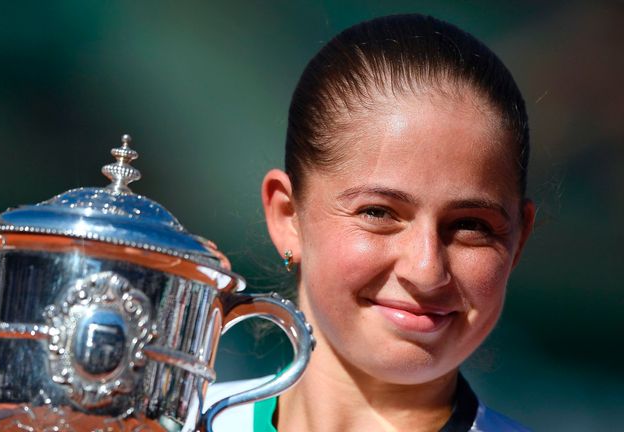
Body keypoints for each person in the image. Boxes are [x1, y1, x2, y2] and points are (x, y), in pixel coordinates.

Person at [206, 13, 536, 432]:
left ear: (517, 241)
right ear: (288, 216)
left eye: (471, 225)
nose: (426, 270)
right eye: (378, 213)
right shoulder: (155, 424)